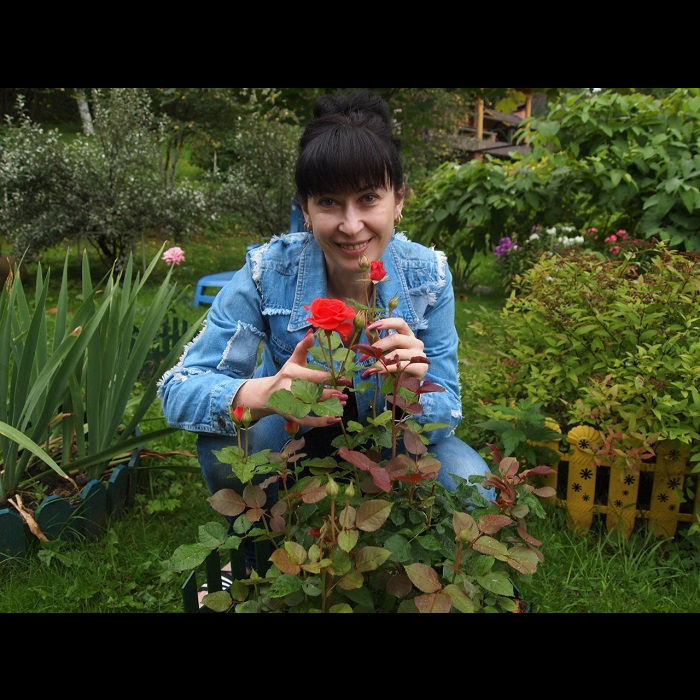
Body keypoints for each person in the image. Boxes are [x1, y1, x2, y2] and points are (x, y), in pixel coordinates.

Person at [158, 90, 491, 513]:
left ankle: (392, 533)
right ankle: (256, 541)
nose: (351, 226)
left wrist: (410, 392)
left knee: (472, 485)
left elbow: (449, 410)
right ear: (306, 209)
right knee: (230, 442)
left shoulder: (427, 278)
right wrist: (267, 393)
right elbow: (180, 388)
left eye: (368, 198)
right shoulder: (269, 271)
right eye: (329, 202)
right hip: (289, 432)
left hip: (385, 438)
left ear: (399, 200)